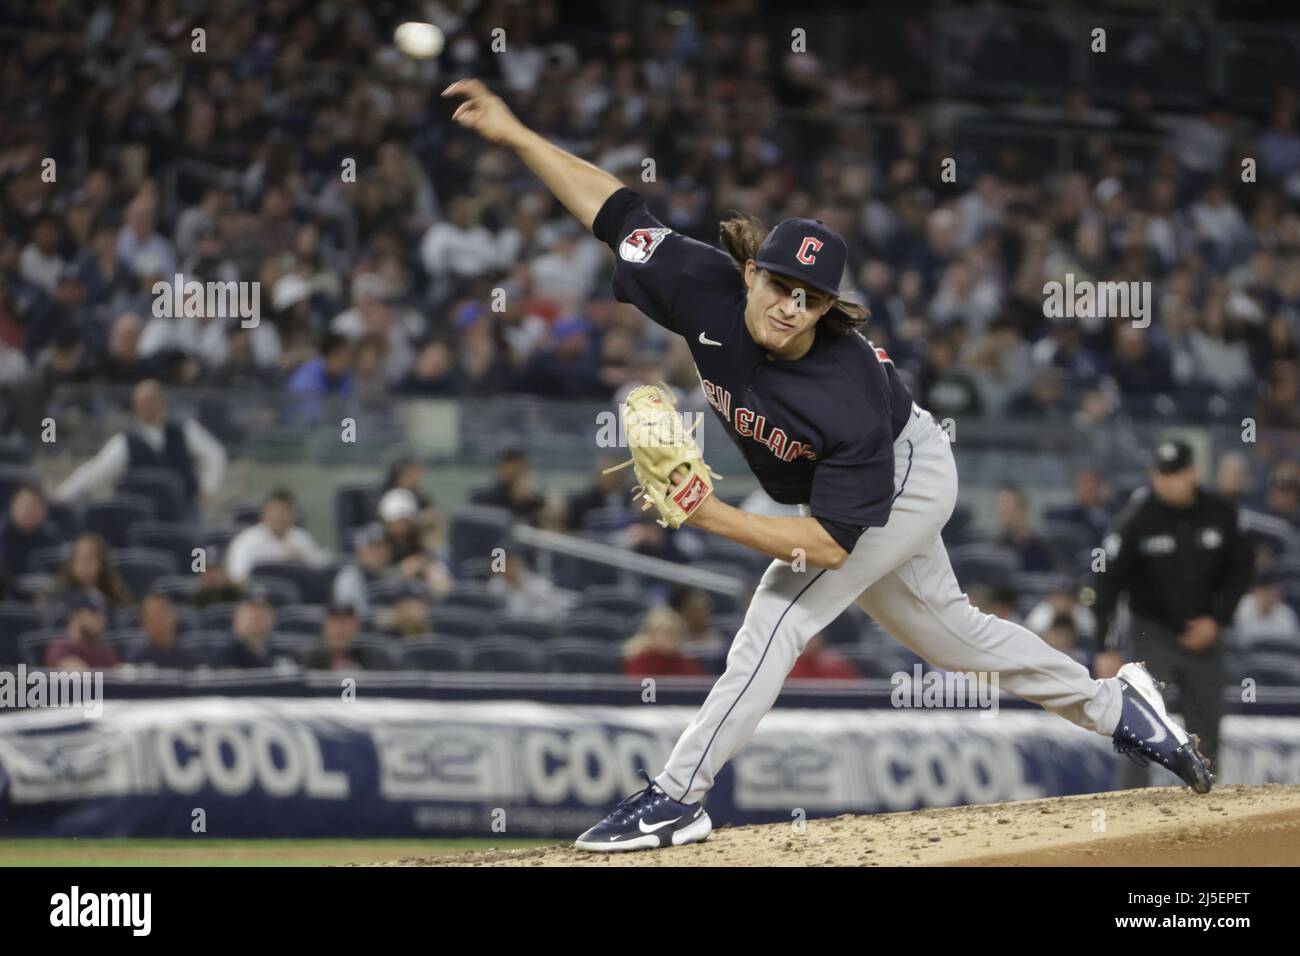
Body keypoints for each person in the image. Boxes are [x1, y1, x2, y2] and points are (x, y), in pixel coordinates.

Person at [445, 78, 1214, 854]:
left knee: (779, 615)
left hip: (903, 470)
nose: (790, 308)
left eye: (811, 299)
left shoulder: (841, 392)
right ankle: (1119, 707)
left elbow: (827, 547)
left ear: (827, 307)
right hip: (830, 488)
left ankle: (677, 797)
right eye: (781, 285)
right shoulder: (699, 283)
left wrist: (708, 513)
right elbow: (611, 211)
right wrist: (514, 134)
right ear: (751, 274)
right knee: (957, 639)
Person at [1089, 439, 1254, 770]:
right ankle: (1130, 811)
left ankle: (1208, 809)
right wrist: (1105, 646)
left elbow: (1241, 569)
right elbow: (1105, 583)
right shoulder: (1137, 518)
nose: (1167, 481)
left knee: (1207, 730)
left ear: (1192, 473)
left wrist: (1218, 620)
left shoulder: (1220, 513)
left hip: (1204, 634)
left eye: (1174, 473)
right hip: (1151, 634)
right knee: (1139, 725)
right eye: (1161, 473)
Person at [53, 379, 226, 514]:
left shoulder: (185, 431)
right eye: (142, 402)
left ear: (162, 401)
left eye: (152, 400)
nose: (147, 406)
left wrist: (207, 487)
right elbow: (96, 472)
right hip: (141, 514)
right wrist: (62, 495)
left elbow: (215, 454)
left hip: (182, 510)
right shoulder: (124, 443)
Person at [224, 488, 330, 584]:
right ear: (264, 513)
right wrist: (277, 566)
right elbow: (237, 579)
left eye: (285, 511)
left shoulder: (301, 537)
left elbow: (319, 568)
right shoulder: (246, 541)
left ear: (293, 514)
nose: (279, 516)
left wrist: (301, 559)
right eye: (275, 511)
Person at [0, 482, 60, 585]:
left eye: (36, 506)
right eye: (25, 506)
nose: (30, 511)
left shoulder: (51, 535)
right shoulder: (2, 535)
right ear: (13, 506)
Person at [622, 608, 706, 678]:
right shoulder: (640, 662)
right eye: (665, 631)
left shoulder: (688, 663)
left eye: (675, 631)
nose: (671, 636)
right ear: (650, 634)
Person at [44, 592, 119, 670]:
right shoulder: (61, 648)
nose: (101, 620)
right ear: (77, 615)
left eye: (103, 614)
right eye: (93, 613)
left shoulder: (106, 652)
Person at [129, 592, 199, 669]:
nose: (158, 622)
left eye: (162, 614)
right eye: (152, 616)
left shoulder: (191, 660)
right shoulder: (136, 665)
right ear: (143, 623)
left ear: (174, 616)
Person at [1232, 570, 1300, 648]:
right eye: (1264, 591)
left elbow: (1292, 646)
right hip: (1248, 656)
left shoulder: (1286, 615)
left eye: (1271, 591)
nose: (1268, 596)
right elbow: (1238, 642)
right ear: (1255, 591)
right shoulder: (1241, 608)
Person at [306, 603, 380, 670]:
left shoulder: (369, 658)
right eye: (335, 622)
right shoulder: (312, 660)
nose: (340, 630)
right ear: (325, 626)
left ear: (356, 626)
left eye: (345, 623)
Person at [219, 592, 278, 668]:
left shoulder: (283, 654)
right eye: (251, 611)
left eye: (264, 610)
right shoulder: (223, 657)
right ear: (236, 618)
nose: (258, 616)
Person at [787, 632, 860, 680]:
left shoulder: (837, 666)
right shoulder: (787, 669)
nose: (810, 641)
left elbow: (855, 695)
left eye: (813, 636)